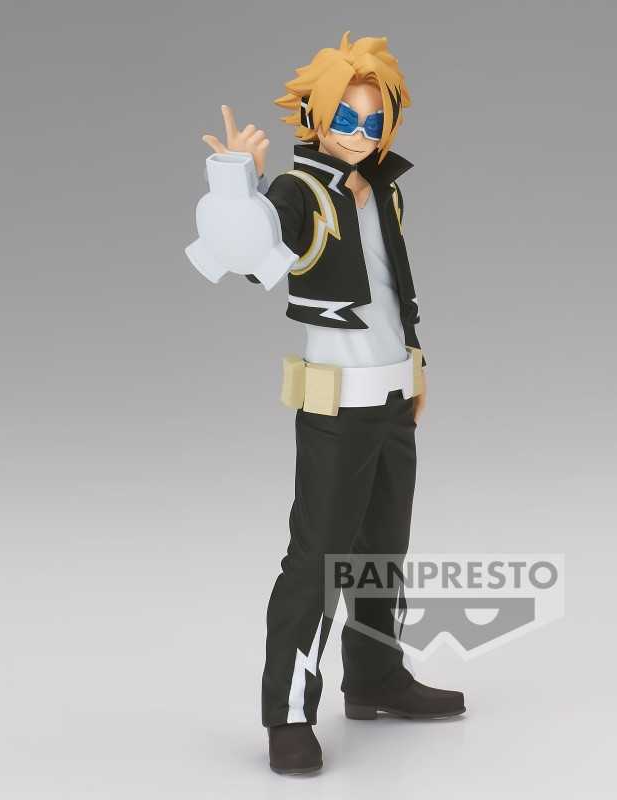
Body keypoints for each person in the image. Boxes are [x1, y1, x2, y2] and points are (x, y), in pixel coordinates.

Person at [186, 32, 465, 775]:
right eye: (346, 118)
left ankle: (374, 677)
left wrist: (416, 367)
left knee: (383, 550)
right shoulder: (300, 193)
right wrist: (234, 182)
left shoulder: (387, 191)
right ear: (314, 115)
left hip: (394, 396)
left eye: (374, 121)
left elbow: (393, 292)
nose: (359, 134)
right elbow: (249, 253)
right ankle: (287, 714)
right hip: (336, 409)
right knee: (318, 561)